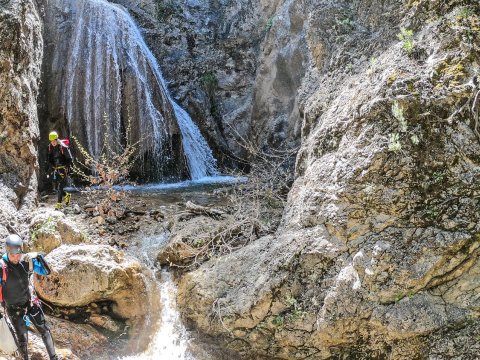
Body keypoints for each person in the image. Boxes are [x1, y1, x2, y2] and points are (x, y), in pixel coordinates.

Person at [0, 234, 58, 360]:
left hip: (30, 303)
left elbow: (46, 272)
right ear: (7, 251)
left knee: (45, 330)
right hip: (14, 309)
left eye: (18, 254)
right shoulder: (2, 268)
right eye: (13, 255)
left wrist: (38, 257)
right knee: (23, 340)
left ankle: (54, 358)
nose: (16, 258)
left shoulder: (25, 261)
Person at [46, 131, 73, 210]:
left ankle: (59, 204)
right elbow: (49, 159)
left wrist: (68, 169)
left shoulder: (63, 147)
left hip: (63, 169)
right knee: (58, 186)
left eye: (54, 141)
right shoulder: (50, 147)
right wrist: (48, 169)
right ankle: (67, 195)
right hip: (55, 169)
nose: (53, 143)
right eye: (51, 141)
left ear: (57, 139)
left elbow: (70, 159)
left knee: (60, 186)